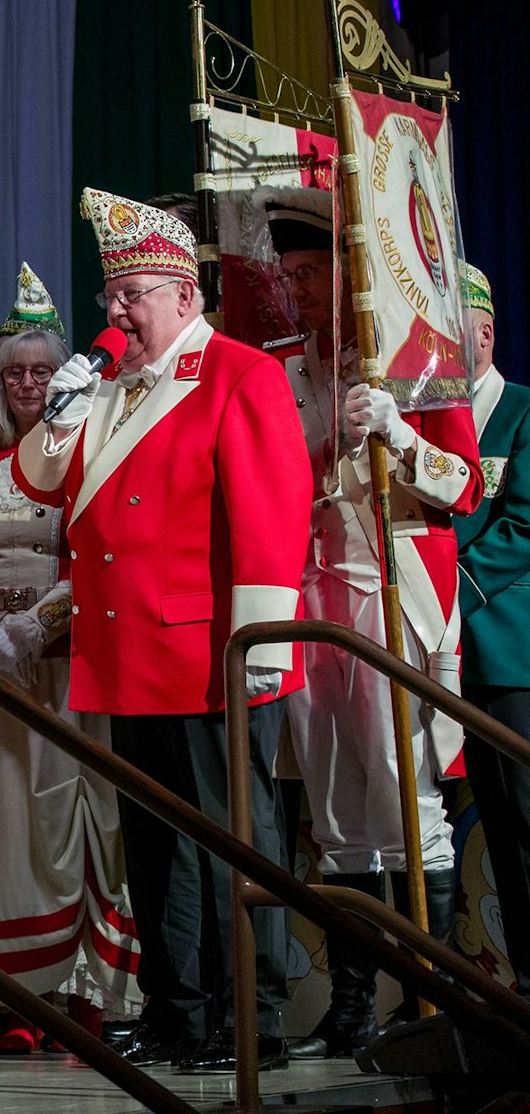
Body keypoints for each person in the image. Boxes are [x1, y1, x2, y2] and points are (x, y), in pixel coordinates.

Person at [13, 187, 312, 1074]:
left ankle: (250, 1009)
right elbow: (38, 485)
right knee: (155, 848)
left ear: (186, 296)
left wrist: (259, 646)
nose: (116, 309)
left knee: (230, 842)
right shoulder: (105, 383)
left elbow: (271, 515)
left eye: (134, 291)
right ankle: (180, 1009)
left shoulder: (238, 373)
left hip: (209, 651)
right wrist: (59, 407)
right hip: (125, 652)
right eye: (111, 294)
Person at [262, 187, 482, 1058]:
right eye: (290, 276)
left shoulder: (415, 356)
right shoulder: (284, 366)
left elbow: (464, 485)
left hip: (393, 597)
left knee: (406, 792)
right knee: (335, 804)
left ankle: (431, 1000)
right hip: (314, 601)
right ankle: (353, 1003)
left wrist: (399, 429)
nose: (300, 290)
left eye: (312, 273)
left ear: (347, 271)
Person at [0, 316, 141, 1049]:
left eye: (42, 371)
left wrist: (31, 630)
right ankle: (14, 994)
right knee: (0, 826)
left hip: (65, 659)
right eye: (14, 371)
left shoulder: (90, 455)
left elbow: (97, 555)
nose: (27, 384)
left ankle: (84, 992)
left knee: (74, 822)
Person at [455, 263, 530, 996]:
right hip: (448, 658)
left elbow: (523, 525)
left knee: (527, 815)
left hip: (508, 654)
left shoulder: (523, 411)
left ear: (486, 331)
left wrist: (449, 585)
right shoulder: (432, 417)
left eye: (462, 332)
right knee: (498, 831)